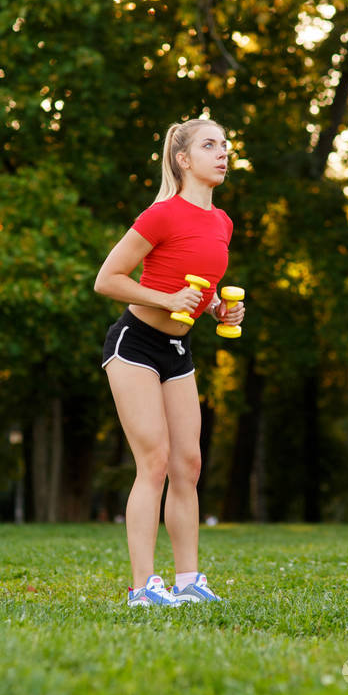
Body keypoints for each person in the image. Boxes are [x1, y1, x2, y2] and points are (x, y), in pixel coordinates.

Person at [94, 119, 245, 607]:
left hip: (178, 351)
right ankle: (143, 588)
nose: (222, 153)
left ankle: (189, 581)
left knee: (188, 464)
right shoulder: (161, 215)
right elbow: (108, 279)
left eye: (224, 145)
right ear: (183, 159)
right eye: (209, 145)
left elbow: (198, 285)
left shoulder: (221, 222)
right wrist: (168, 298)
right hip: (134, 345)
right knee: (154, 461)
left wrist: (218, 308)